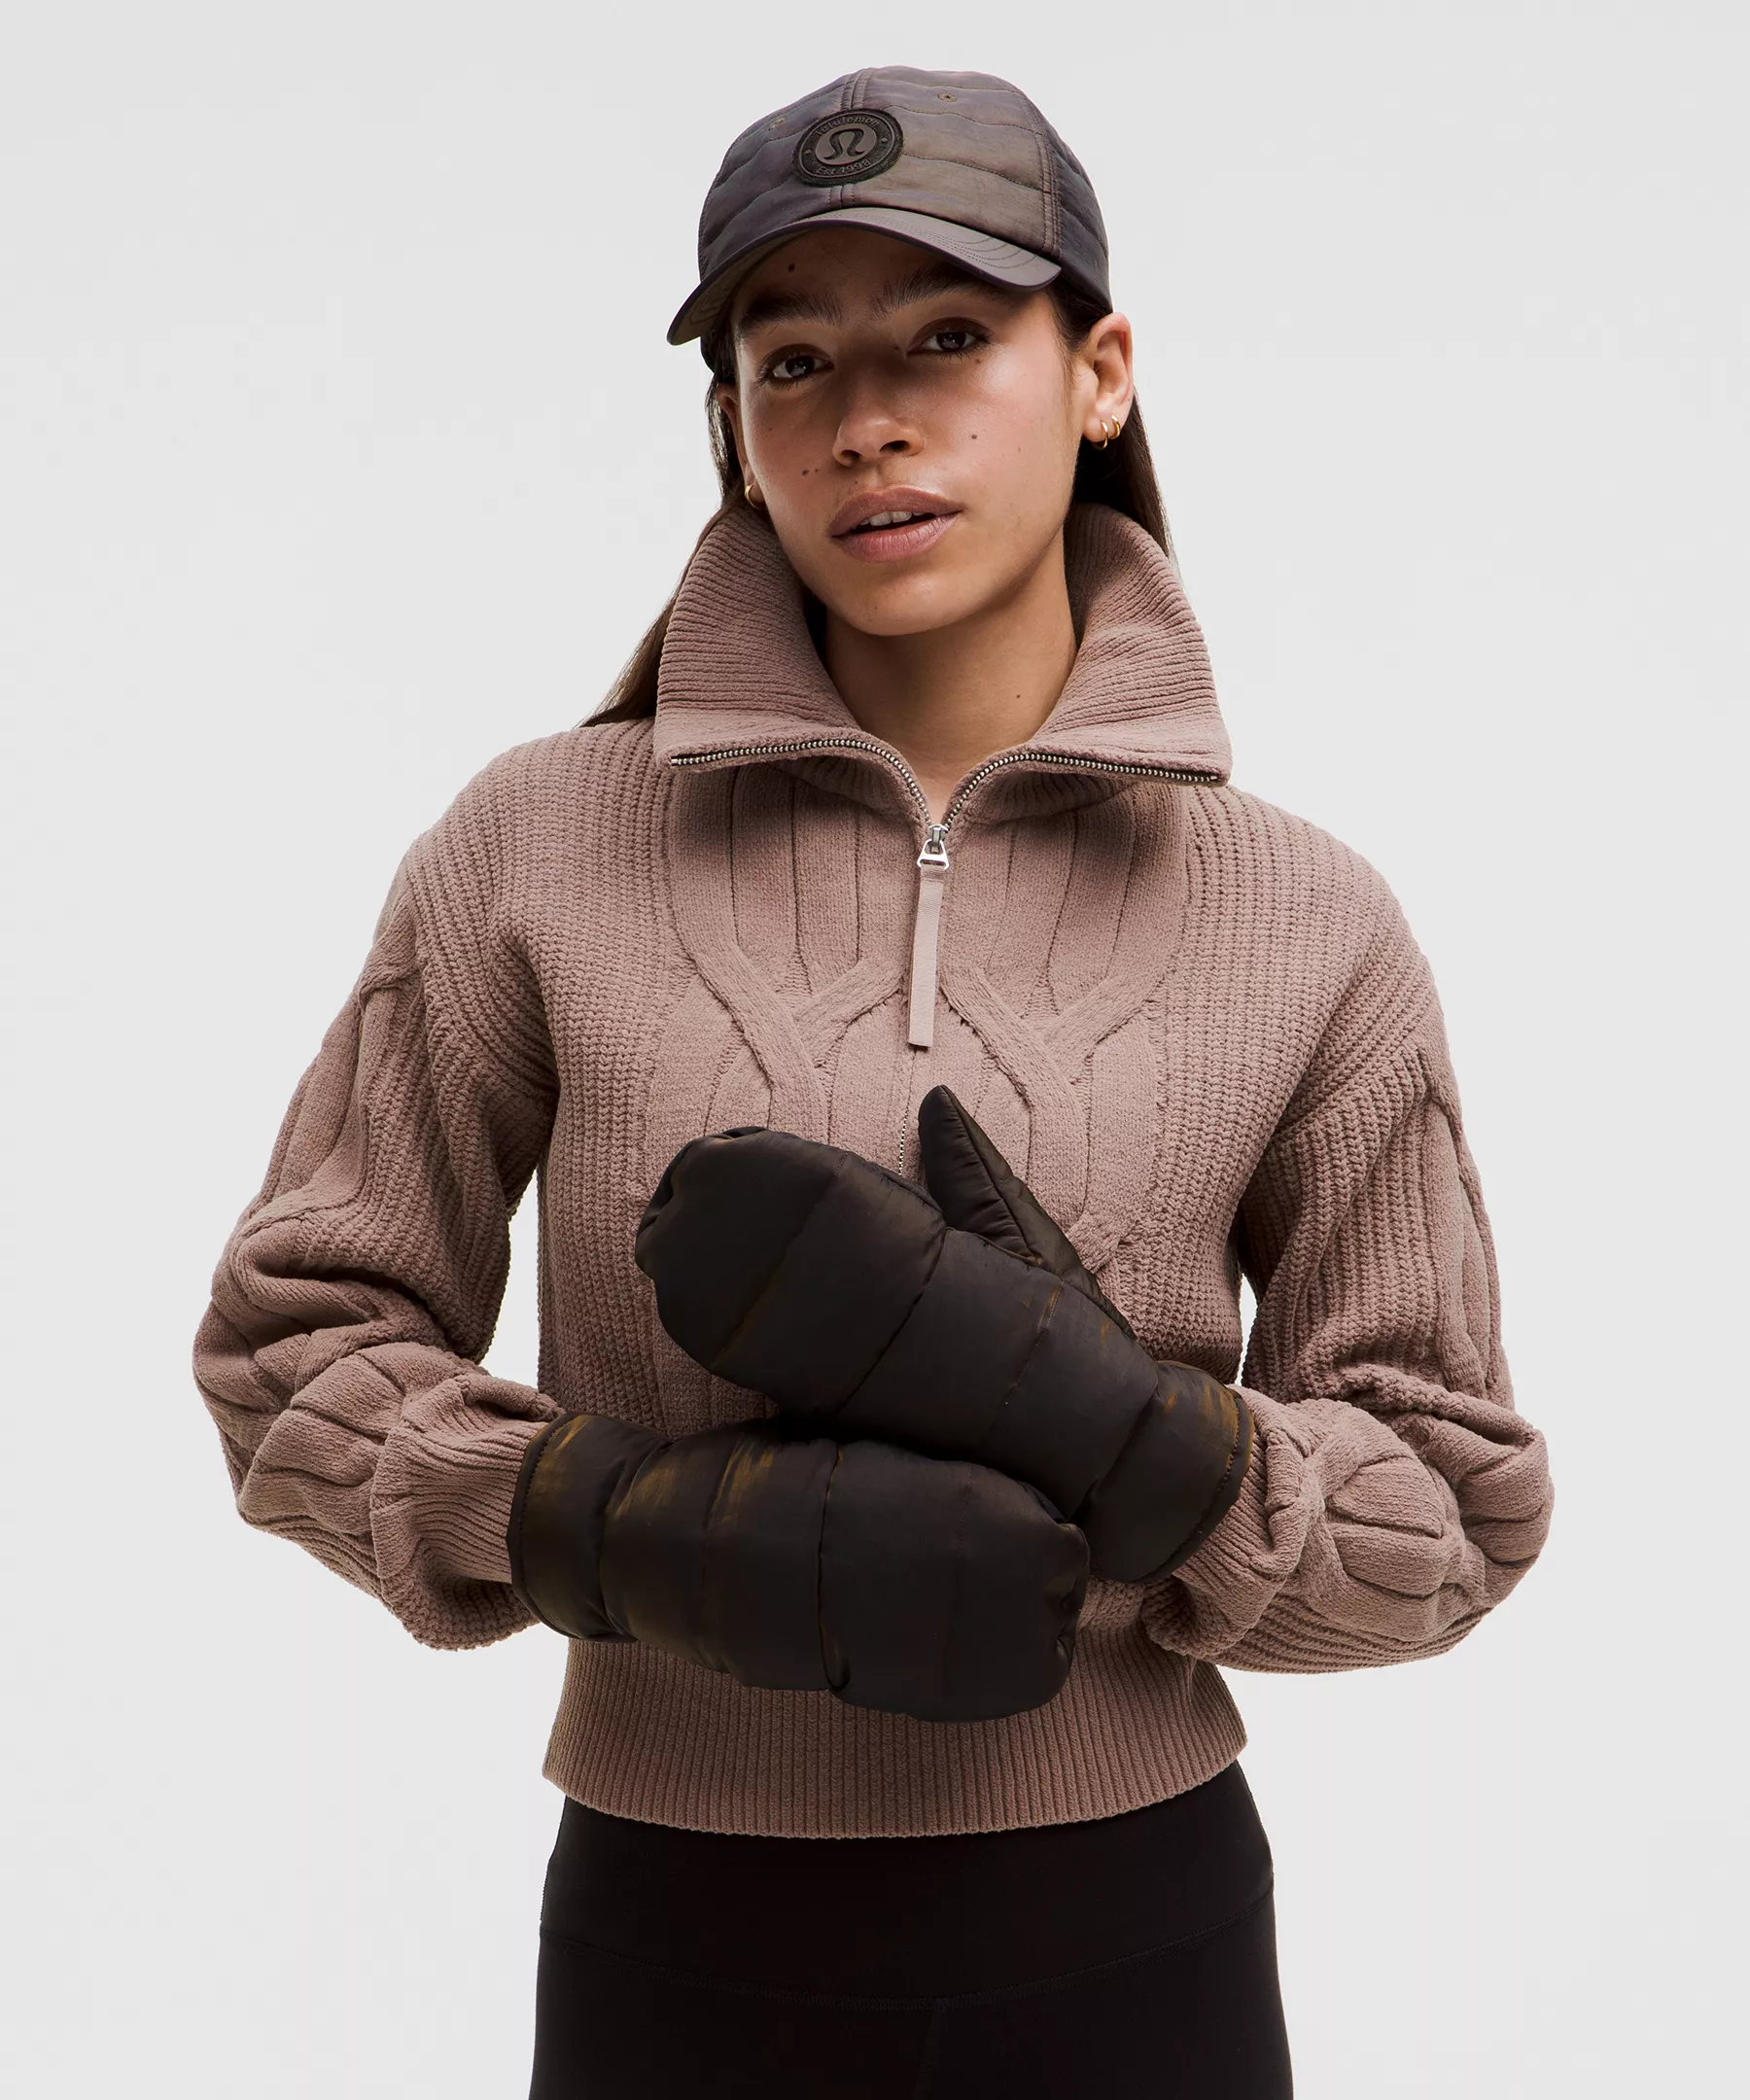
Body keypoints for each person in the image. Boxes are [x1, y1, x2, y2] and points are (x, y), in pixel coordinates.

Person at [193, 65, 1555, 2098]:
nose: (867, 422)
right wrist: (607, 1523)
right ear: (734, 423)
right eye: (794, 360)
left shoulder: (1307, 917)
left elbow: (1449, 1509)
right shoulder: (532, 845)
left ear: (1100, 374)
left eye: (945, 336)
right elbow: (293, 1350)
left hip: (1135, 1940)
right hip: (677, 1934)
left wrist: (1156, 1449)